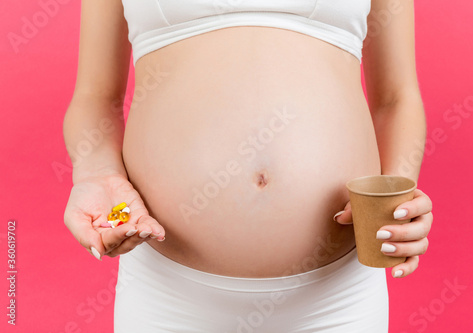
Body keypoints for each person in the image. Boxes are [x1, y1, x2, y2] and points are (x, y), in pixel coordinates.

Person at [63, 0, 433, 331]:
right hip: (167, 295)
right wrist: (97, 173)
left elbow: (396, 98)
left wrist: (394, 200)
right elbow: (96, 98)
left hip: (336, 300)